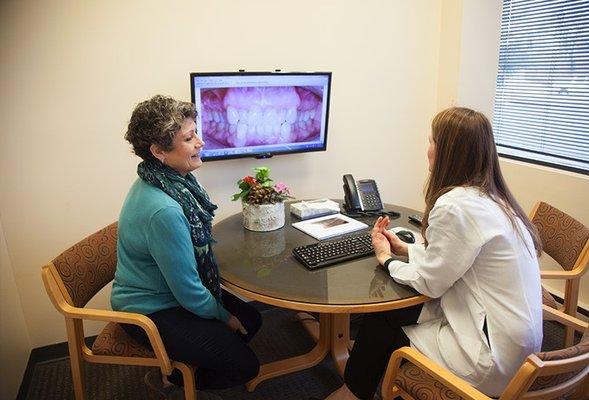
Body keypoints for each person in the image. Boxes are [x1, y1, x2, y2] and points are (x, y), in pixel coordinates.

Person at [326, 107, 543, 399]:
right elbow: (456, 259)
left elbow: (432, 282)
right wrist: (406, 248)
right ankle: (355, 385)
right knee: (389, 315)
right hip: (521, 350)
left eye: (431, 142)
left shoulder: (454, 206)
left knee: (382, 324)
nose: (427, 149)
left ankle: (351, 393)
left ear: (447, 152)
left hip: (489, 359)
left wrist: (386, 258)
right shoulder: (495, 199)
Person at [111, 95, 261, 398]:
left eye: (196, 133)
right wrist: (222, 316)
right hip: (150, 310)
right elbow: (188, 290)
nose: (201, 142)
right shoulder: (164, 210)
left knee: (252, 320)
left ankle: (191, 360)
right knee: (245, 366)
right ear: (158, 152)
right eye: (189, 137)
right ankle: (173, 378)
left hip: (169, 293)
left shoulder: (165, 181)